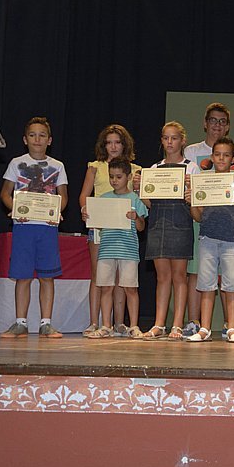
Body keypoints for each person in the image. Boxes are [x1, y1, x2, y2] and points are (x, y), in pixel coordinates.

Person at [184, 102, 234, 334]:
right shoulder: (194, 157)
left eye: (222, 121)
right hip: (206, 231)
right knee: (202, 278)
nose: (221, 158)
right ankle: (199, 326)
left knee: (230, 281)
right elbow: (196, 211)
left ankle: (230, 326)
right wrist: (192, 198)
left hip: (232, 232)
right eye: (213, 120)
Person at [0, 117, 69, 338]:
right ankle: (20, 323)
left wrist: (56, 212)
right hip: (23, 227)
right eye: (32, 135)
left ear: (49, 140)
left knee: (47, 276)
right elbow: (5, 193)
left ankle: (46, 323)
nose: (37, 139)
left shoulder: (58, 166)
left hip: (47, 227)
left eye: (42, 135)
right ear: (25, 139)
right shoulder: (16, 163)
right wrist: (15, 208)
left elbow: (63, 196)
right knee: (23, 276)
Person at [77, 124, 141, 337]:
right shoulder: (95, 167)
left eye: (117, 142)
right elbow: (84, 195)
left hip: (124, 231)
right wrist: (86, 211)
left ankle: (119, 322)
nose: (113, 147)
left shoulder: (136, 169)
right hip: (100, 226)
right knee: (100, 275)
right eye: (109, 143)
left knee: (123, 278)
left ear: (125, 144)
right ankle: (94, 322)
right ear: (103, 145)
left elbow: (142, 201)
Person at [140, 122, 198, 340]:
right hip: (158, 224)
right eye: (166, 138)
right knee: (162, 277)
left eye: (174, 138)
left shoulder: (191, 168)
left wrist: (190, 190)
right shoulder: (154, 169)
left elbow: (196, 201)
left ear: (182, 141)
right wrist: (140, 190)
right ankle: (159, 324)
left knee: (179, 276)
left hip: (180, 224)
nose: (170, 142)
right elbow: (149, 203)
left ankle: (177, 324)